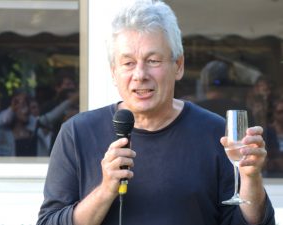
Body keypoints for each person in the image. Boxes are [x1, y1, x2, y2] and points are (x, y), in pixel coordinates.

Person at [37, 1, 275, 225]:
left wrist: (251, 178)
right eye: (128, 63)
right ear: (113, 72)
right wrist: (105, 190)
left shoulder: (215, 132)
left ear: (178, 66)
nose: (140, 74)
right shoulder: (77, 133)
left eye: (152, 60)